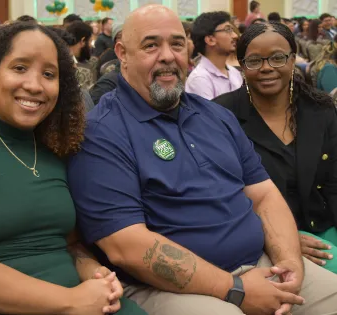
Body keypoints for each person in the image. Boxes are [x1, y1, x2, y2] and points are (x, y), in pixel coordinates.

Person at [68, 4, 337, 315]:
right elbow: (127, 247)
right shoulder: (102, 132)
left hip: (260, 264)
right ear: (122, 53)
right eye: (151, 45)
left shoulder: (216, 116)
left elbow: (263, 196)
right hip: (163, 287)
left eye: (177, 44)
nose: (167, 55)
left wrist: (289, 263)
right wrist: (235, 290)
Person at [0, 22, 147, 315]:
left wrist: (94, 272)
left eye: (49, 75)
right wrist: (71, 302)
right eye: (20, 68)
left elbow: (68, 245)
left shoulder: (55, 149)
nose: (35, 85)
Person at [213, 22, 337, 275]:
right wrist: (281, 239)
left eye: (278, 58)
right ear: (241, 65)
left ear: (293, 60)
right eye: (255, 60)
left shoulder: (320, 109)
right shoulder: (219, 116)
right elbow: (220, 196)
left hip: (322, 226)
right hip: (260, 236)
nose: (267, 67)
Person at [185, 11, 242, 100]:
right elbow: (211, 113)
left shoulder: (234, 73)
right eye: (228, 30)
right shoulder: (200, 79)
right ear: (210, 40)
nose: (235, 36)